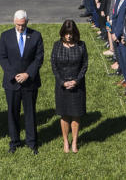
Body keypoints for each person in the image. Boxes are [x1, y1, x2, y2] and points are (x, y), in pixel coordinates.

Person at [0, 9, 43, 153]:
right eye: (18, 25)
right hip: (12, 82)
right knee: (13, 113)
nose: (20, 28)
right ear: (14, 22)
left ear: (27, 22)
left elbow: (38, 58)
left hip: (29, 82)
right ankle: (14, 142)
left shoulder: (35, 36)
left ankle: (31, 142)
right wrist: (14, 75)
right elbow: (2, 57)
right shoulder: (5, 36)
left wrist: (27, 74)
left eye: (23, 25)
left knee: (30, 113)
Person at [51, 19, 88, 153]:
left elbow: (84, 65)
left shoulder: (81, 45)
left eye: (71, 33)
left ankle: (75, 142)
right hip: (62, 86)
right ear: (62, 33)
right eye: (66, 33)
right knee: (64, 114)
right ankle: (66, 141)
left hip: (77, 86)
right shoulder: (57, 45)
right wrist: (62, 82)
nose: (69, 36)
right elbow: (54, 66)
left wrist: (76, 81)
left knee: (76, 114)